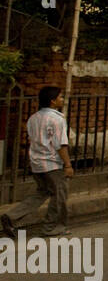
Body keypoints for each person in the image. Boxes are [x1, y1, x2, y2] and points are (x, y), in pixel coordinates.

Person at [1, 86, 73, 238]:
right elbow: (60, 145)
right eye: (60, 97)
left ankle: (12, 216)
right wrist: (67, 165)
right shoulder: (57, 119)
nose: (62, 100)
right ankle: (52, 227)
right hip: (52, 164)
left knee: (42, 192)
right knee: (59, 196)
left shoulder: (33, 118)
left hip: (36, 163)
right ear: (53, 101)